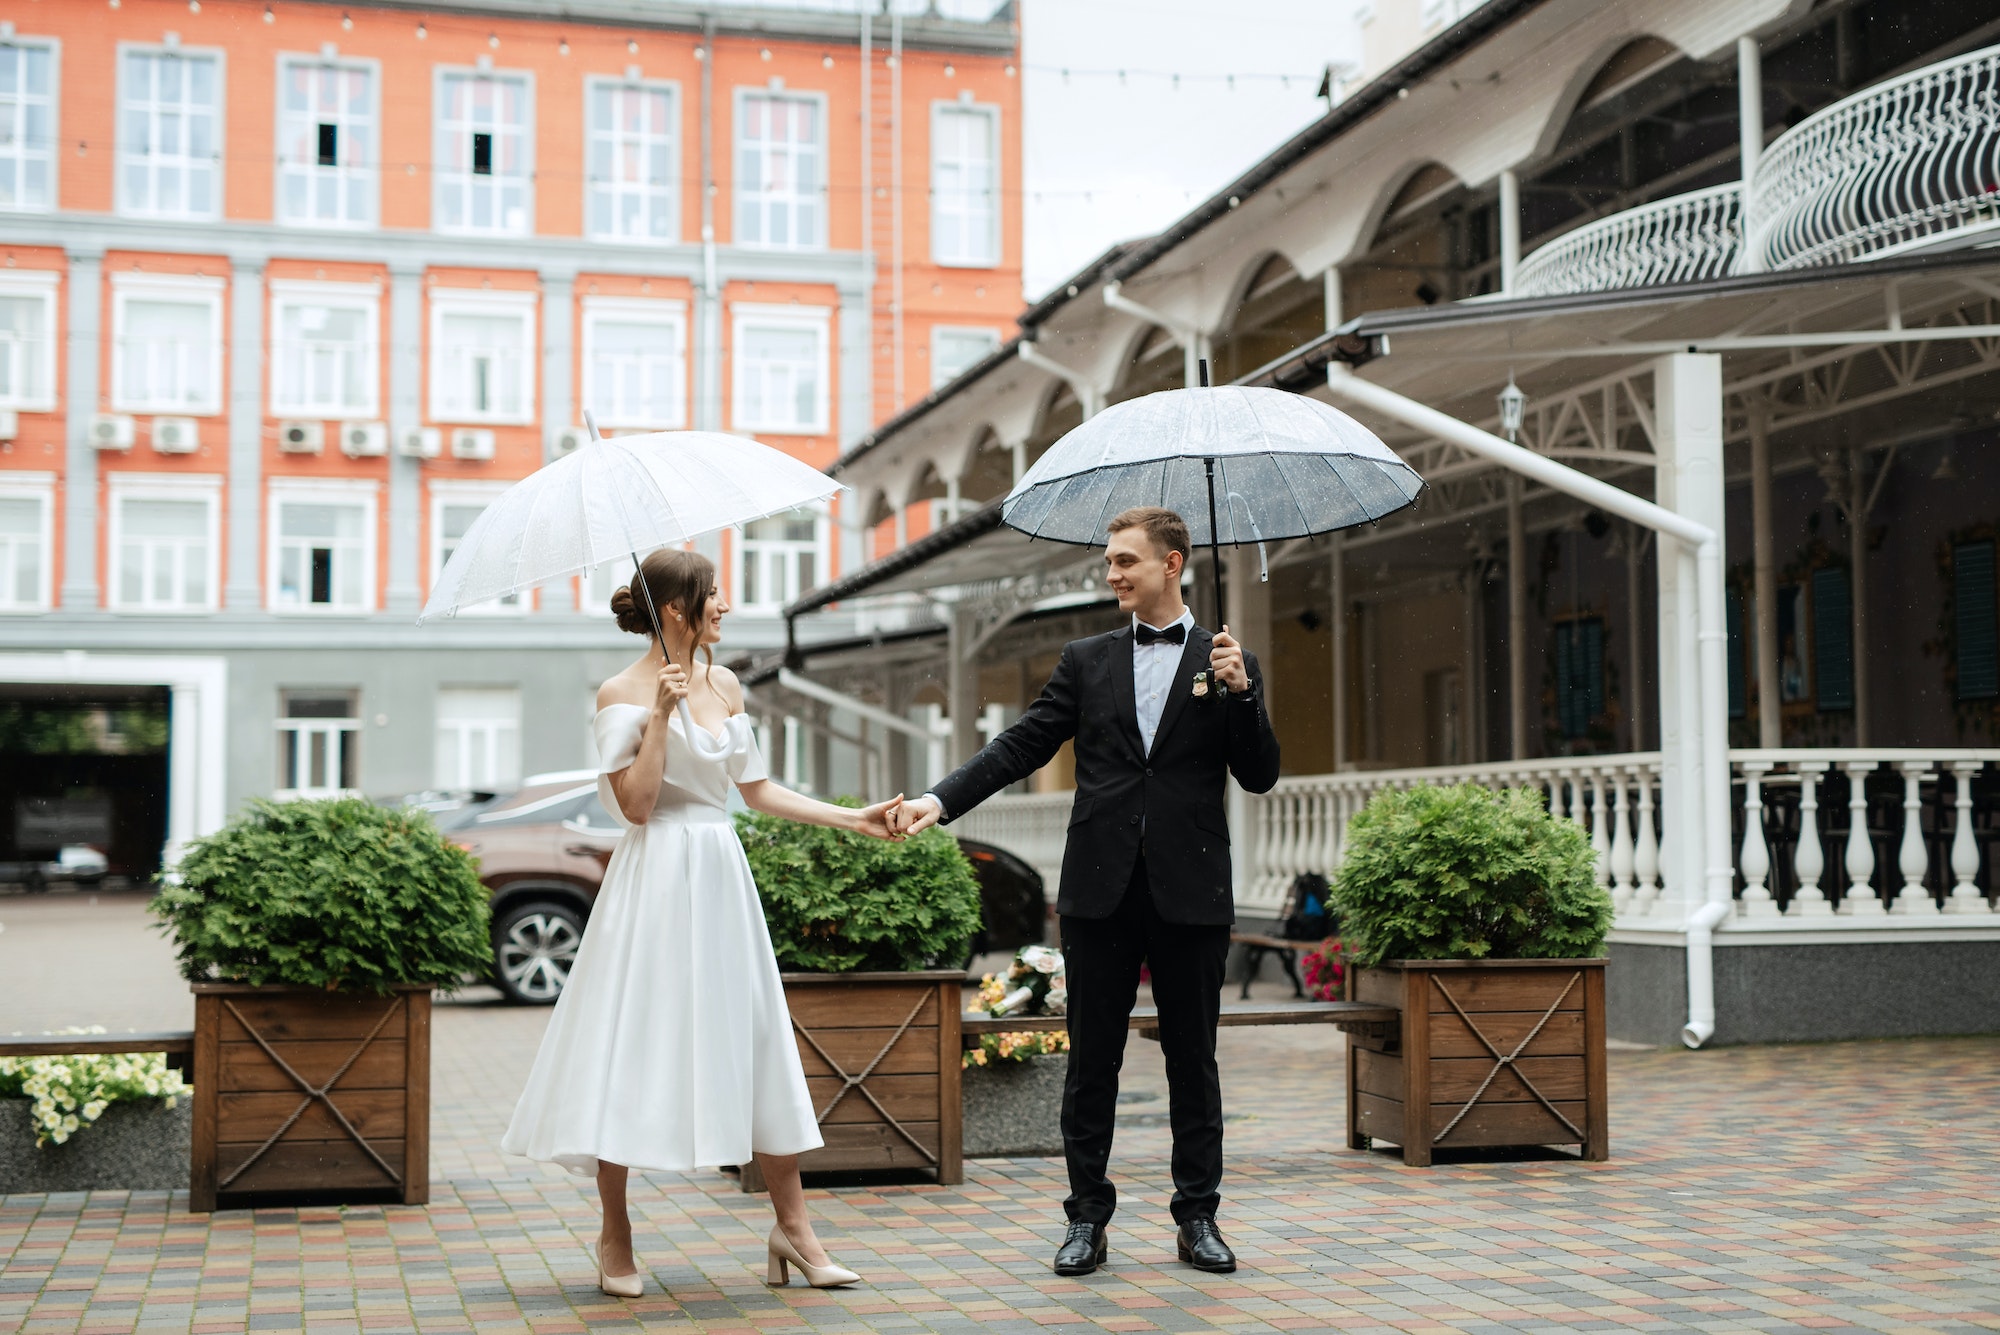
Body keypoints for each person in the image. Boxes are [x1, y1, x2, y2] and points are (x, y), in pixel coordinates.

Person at [501, 549, 906, 1297]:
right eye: (712, 595)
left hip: (720, 873)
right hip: (654, 878)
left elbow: (753, 790)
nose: (725, 605)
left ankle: (795, 1228)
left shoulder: (724, 681)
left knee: (755, 1039)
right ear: (678, 609)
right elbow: (638, 805)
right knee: (628, 1042)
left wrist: (853, 819)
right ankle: (615, 1233)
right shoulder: (620, 690)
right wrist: (658, 712)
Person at [891, 506, 1280, 1277]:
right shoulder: (1085, 658)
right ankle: (1086, 1219)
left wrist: (1241, 695)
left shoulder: (1227, 658)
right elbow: (1019, 745)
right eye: (1109, 560)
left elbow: (1260, 772)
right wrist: (941, 800)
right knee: (1091, 1061)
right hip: (1098, 889)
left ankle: (1198, 1216)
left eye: (1127, 560)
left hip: (1191, 889)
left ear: (1173, 564)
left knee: (1192, 1061)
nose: (1112, 573)